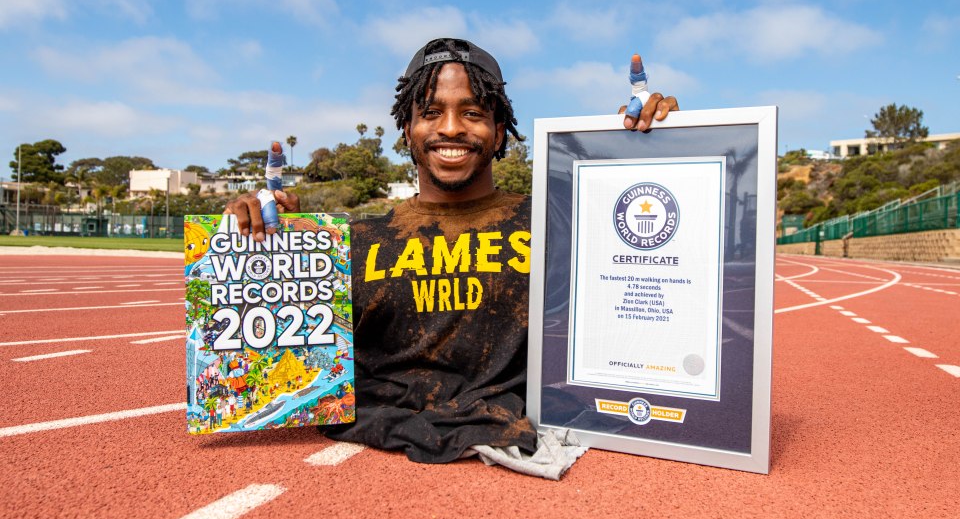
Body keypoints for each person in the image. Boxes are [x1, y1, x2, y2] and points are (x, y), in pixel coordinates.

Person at [225, 38, 678, 466]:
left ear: (500, 133)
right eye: (431, 112)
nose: (450, 128)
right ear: (408, 129)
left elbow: (659, 250)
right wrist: (278, 249)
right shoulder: (356, 241)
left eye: (473, 112)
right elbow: (275, 370)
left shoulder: (556, 222)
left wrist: (658, 145)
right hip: (378, 478)